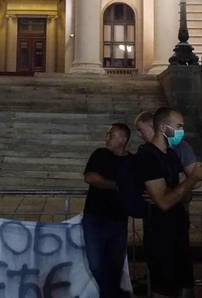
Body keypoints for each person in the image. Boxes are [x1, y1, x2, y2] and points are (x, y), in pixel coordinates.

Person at [134, 109, 202, 298]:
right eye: (179, 126)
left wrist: (176, 191)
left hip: (178, 228)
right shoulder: (148, 157)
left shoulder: (170, 154)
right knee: (164, 288)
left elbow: (185, 195)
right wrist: (192, 179)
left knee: (185, 282)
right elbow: (164, 202)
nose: (181, 131)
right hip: (160, 233)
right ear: (163, 128)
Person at [82, 123, 131, 297]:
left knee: (115, 264)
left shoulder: (131, 161)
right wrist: (118, 186)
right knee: (95, 263)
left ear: (123, 139)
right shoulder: (100, 154)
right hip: (94, 216)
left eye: (111, 135)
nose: (107, 138)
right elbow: (90, 177)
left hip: (118, 218)